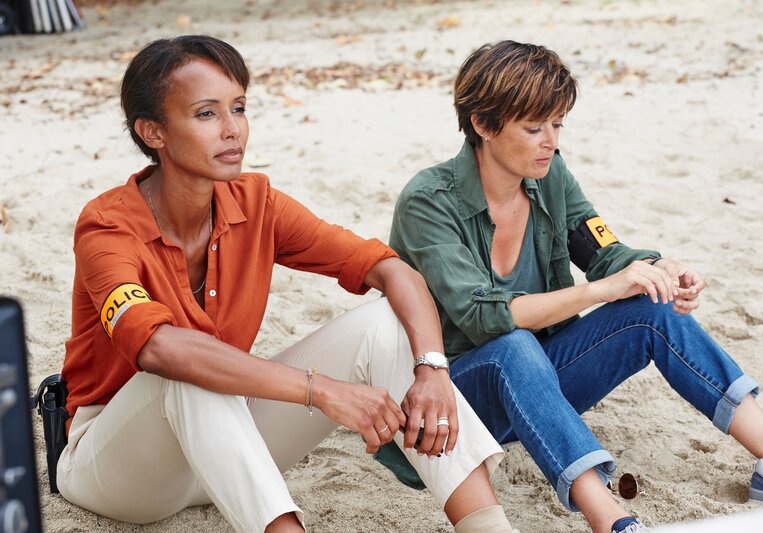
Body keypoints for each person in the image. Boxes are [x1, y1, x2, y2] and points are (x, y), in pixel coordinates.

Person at [57, 35, 515, 533]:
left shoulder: (256, 202)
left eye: (239, 107)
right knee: (189, 370)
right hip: (120, 466)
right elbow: (161, 351)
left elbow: (392, 270)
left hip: (226, 447)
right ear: (153, 132)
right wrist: (321, 391)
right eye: (206, 114)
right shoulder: (106, 226)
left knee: (380, 322)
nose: (233, 130)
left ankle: (487, 527)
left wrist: (432, 370)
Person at [389, 40, 763, 533]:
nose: (551, 141)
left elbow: (603, 250)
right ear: (482, 123)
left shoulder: (550, 174)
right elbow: (482, 317)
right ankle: (611, 521)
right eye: (534, 126)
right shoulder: (427, 202)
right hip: (450, 404)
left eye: (558, 124)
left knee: (654, 306)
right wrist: (601, 290)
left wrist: (655, 268)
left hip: (539, 388)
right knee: (512, 345)